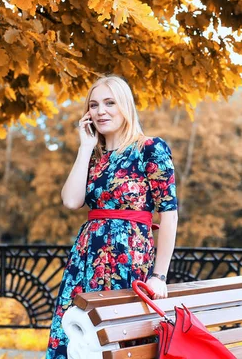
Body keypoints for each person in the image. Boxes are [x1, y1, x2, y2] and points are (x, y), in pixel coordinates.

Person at [46, 75, 179, 358]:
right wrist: (84, 147)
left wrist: (159, 275)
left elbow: (169, 213)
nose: (100, 111)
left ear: (125, 106)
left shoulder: (149, 148)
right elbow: (71, 201)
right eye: (93, 105)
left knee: (121, 342)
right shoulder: (93, 156)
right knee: (77, 338)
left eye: (109, 103)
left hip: (128, 256)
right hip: (87, 258)